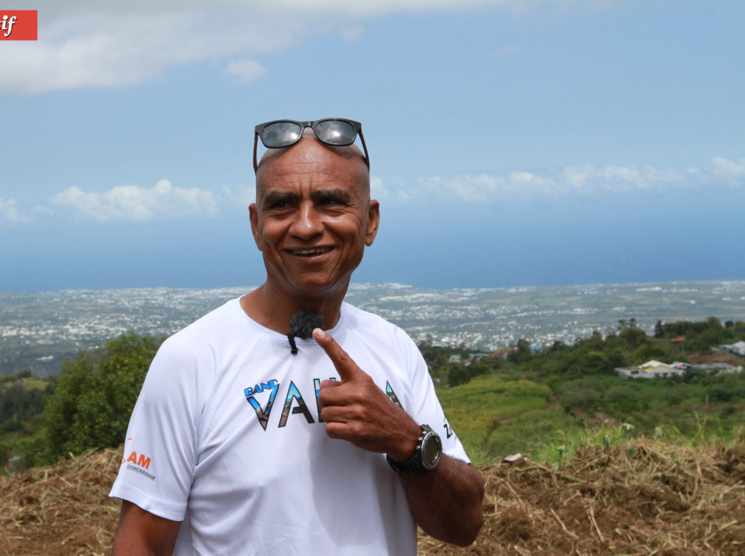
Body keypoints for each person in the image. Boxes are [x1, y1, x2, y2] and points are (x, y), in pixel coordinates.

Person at [110, 118, 484, 555]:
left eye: (330, 203)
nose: (305, 226)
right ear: (255, 225)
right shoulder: (191, 359)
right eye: (282, 206)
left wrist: (408, 442)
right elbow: (141, 544)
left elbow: (465, 524)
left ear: (370, 221)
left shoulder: (393, 347)